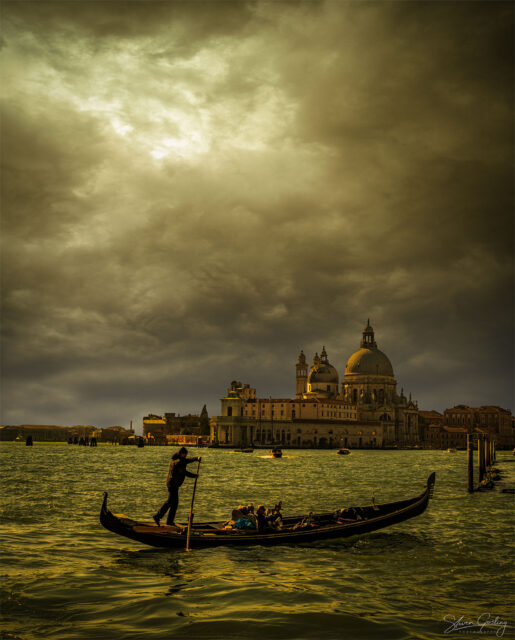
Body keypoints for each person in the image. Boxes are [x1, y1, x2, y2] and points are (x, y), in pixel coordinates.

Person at [153, 447, 200, 527]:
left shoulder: (178, 459)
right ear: (182, 454)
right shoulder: (178, 462)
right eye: (185, 454)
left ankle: (169, 521)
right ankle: (157, 516)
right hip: (173, 484)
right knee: (170, 502)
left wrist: (196, 458)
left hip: (173, 484)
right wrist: (194, 475)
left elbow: (186, 461)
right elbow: (183, 472)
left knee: (174, 503)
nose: (186, 456)